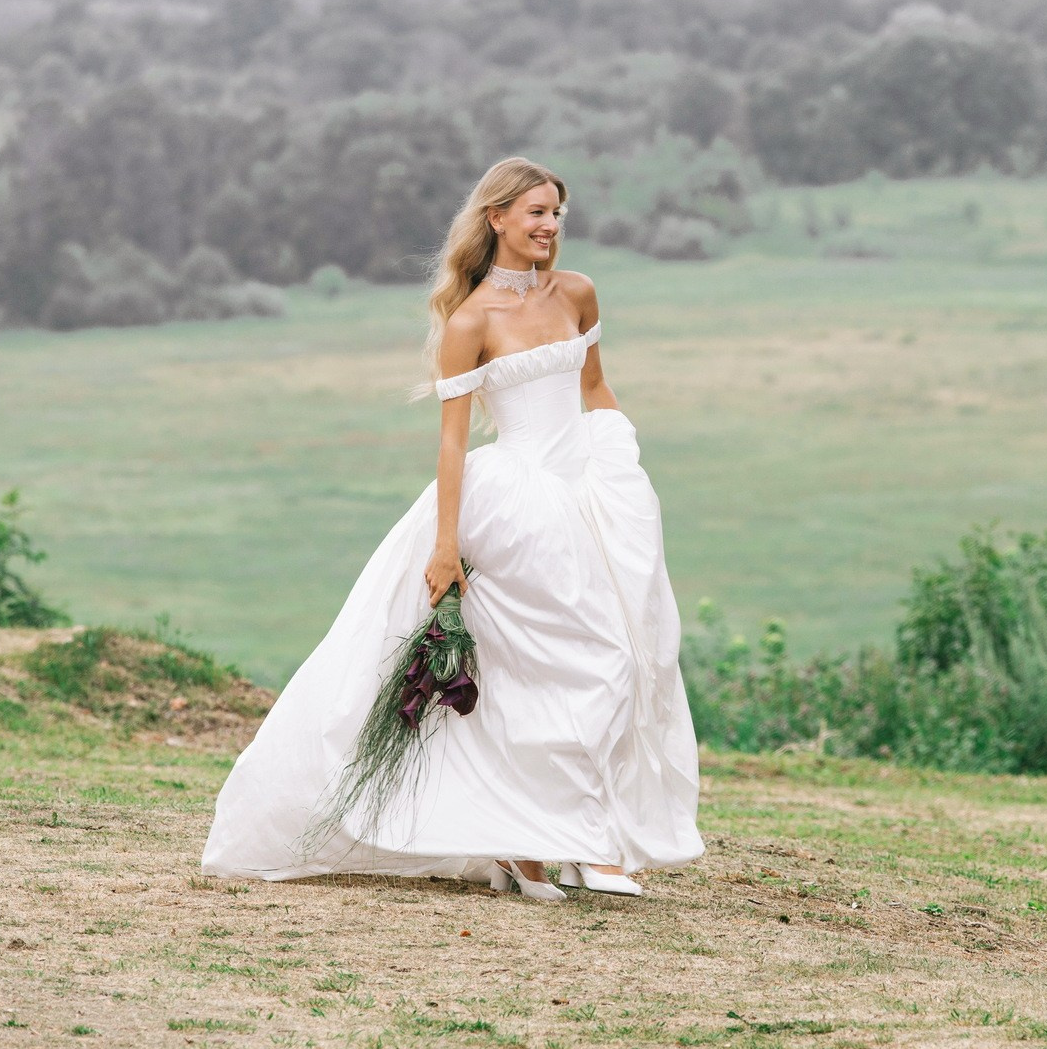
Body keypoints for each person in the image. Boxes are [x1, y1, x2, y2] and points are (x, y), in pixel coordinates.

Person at [200, 157, 703, 900]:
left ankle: (564, 840)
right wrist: (444, 545)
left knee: (618, 659)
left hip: (588, 489)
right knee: (573, 662)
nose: (549, 226)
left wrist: (622, 468)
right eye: (534, 212)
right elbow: (452, 440)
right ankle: (554, 844)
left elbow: (593, 385)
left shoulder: (578, 293)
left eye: (557, 213)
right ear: (497, 218)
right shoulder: (471, 322)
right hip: (519, 500)